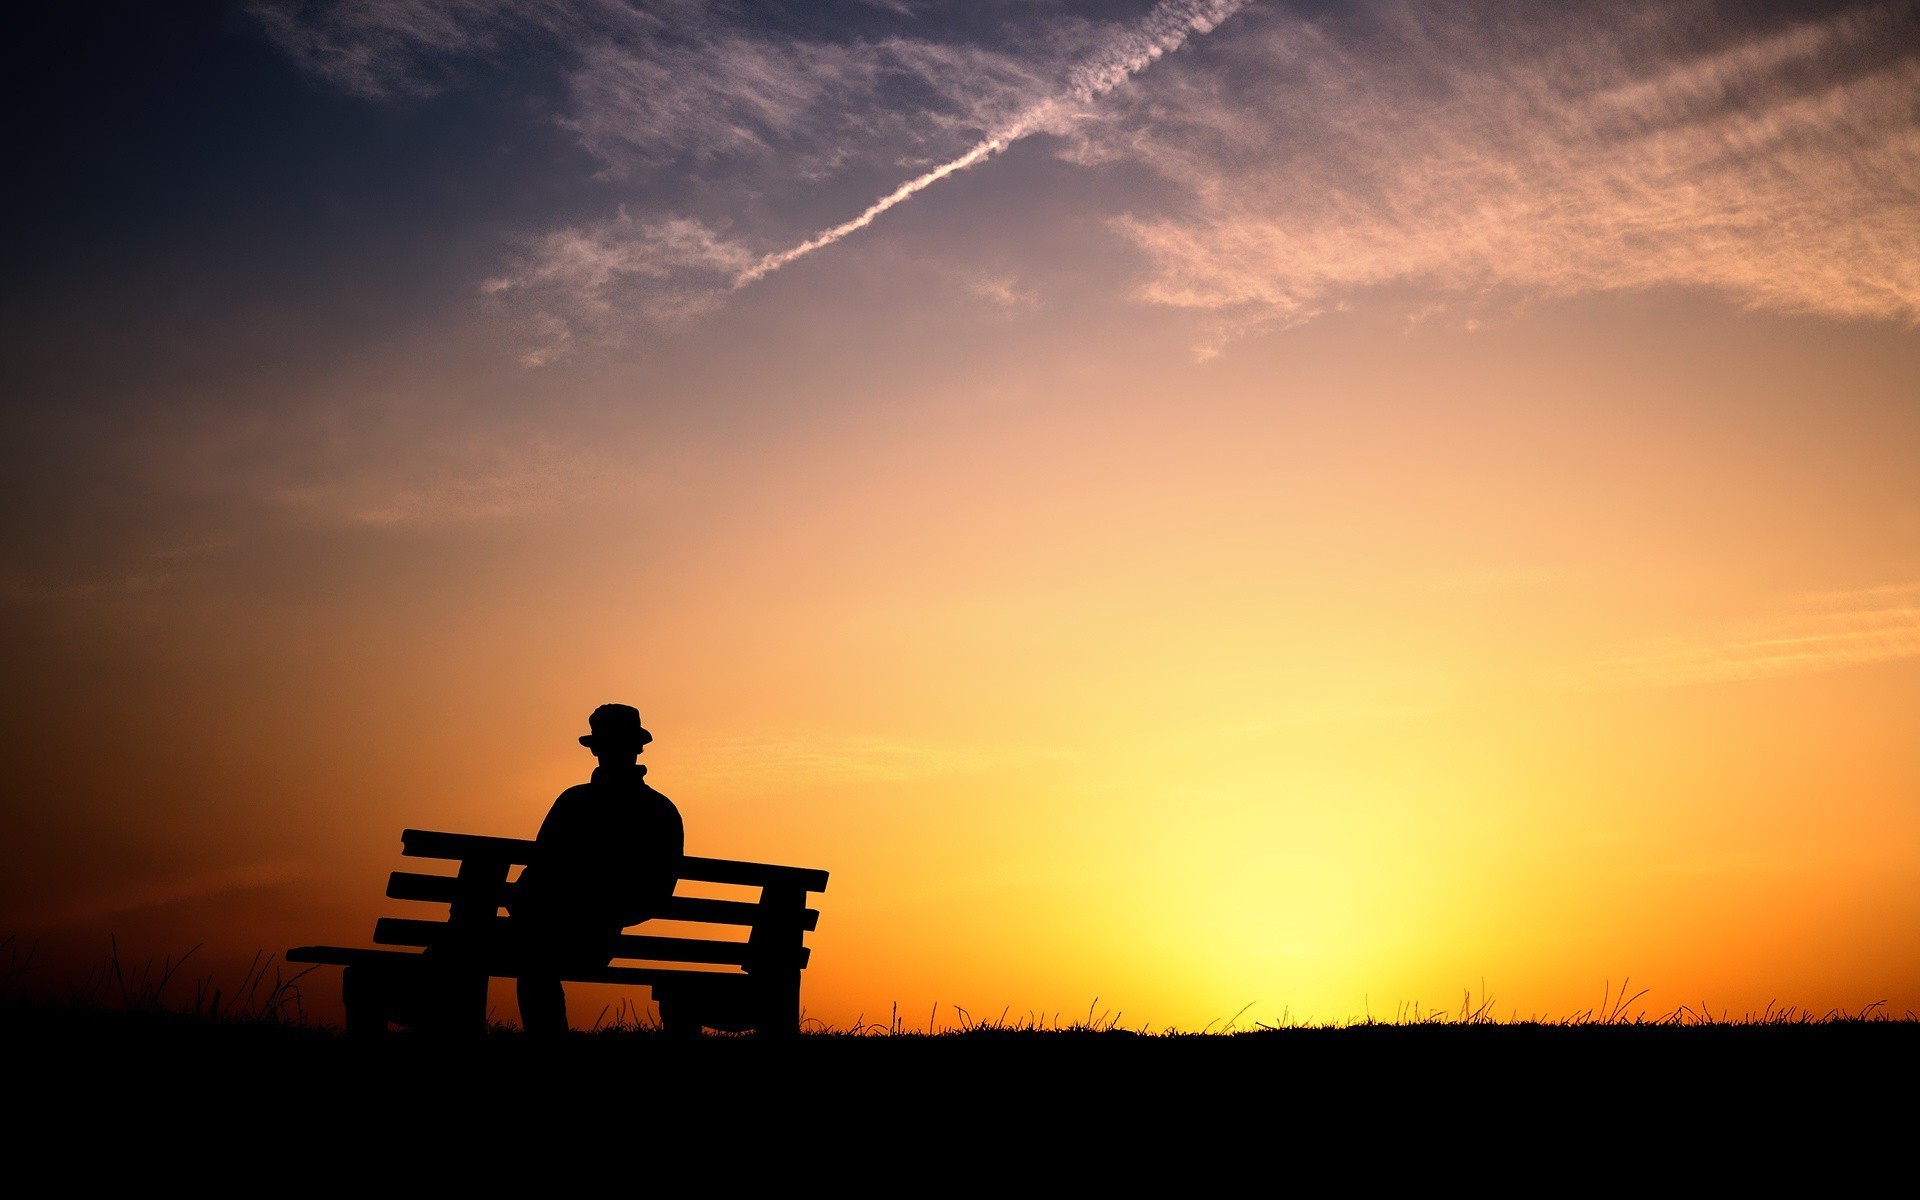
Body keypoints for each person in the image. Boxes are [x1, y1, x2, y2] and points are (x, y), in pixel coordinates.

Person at [510, 703, 684, 1036]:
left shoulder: (573, 803)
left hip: (557, 936)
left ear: (596, 750)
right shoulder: (662, 811)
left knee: (513, 949)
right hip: (604, 939)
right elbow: (658, 894)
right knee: (529, 949)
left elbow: (534, 876)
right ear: (638, 747)